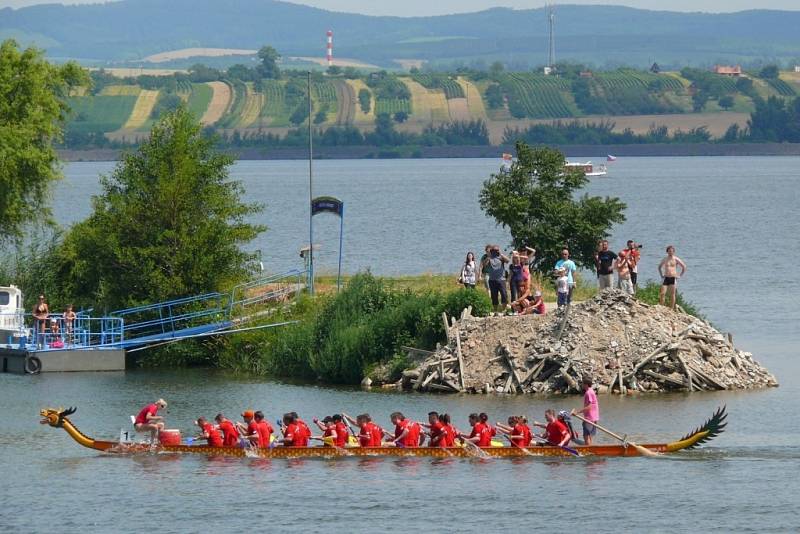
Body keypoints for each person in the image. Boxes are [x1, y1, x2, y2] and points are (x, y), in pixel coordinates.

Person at [572, 377, 600, 445]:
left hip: (590, 418)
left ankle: (588, 450)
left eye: (583, 384)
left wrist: (577, 412)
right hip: (594, 417)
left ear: (586, 385)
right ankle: (590, 448)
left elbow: (589, 407)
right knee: (589, 435)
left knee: (586, 435)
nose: (582, 385)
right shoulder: (591, 391)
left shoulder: (588, 393)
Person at [481, 245, 510, 313]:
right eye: (494, 251)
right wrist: (489, 256)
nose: (495, 252)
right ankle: (495, 310)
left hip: (501, 279)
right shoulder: (489, 258)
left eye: (496, 250)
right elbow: (484, 265)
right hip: (492, 280)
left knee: (504, 295)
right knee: (494, 296)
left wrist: (500, 253)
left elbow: (508, 261)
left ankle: (504, 310)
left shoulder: (500, 257)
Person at [658, 245, 687, 310]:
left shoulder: (676, 259)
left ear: (674, 252)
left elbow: (684, 267)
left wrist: (680, 275)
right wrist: (661, 275)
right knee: (662, 293)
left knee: (672, 294)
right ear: (667, 252)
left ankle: (671, 308)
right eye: (669, 251)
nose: (670, 252)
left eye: (671, 251)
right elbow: (659, 267)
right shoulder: (665, 259)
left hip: (673, 278)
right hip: (665, 277)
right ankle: (661, 307)